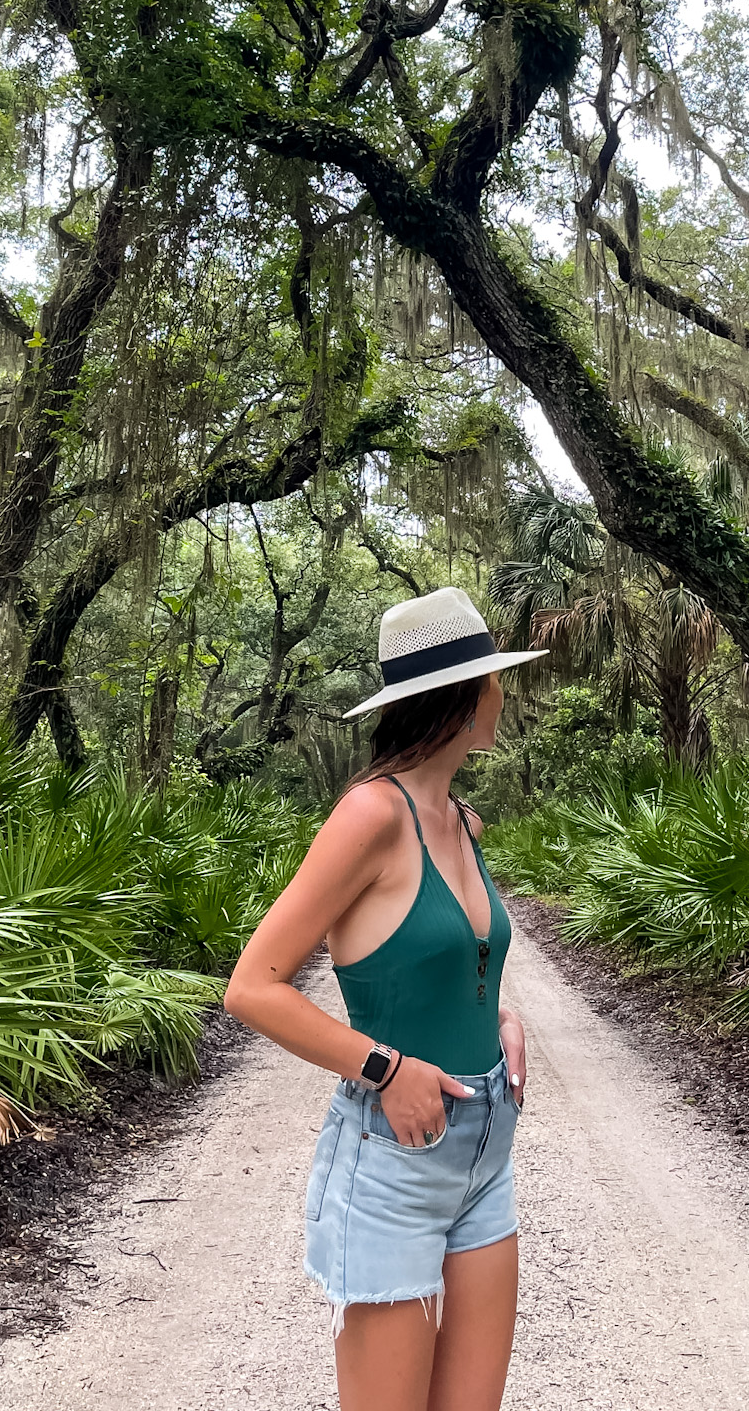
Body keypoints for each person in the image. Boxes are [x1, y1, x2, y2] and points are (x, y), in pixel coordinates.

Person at [225, 586, 546, 1411]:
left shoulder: (463, 822)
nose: (503, 696)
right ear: (470, 696)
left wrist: (500, 1013)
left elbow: (457, 958)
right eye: (497, 680)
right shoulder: (372, 815)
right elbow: (251, 988)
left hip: (485, 1151)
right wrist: (383, 1065)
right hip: (391, 1158)